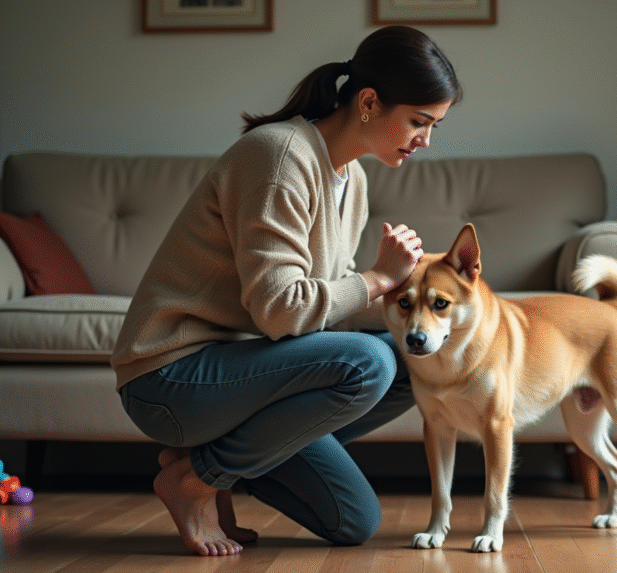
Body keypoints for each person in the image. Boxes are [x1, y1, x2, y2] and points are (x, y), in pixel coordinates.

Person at [111, 25, 462, 557]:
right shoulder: (277, 158)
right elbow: (281, 313)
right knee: (370, 362)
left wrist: (409, 300)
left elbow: (317, 317)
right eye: (419, 121)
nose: (425, 140)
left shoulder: (354, 180)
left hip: (240, 379)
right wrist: (377, 279)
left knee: (360, 508)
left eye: (434, 125)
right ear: (369, 102)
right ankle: (196, 481)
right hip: (171, 378)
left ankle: (216, 465)